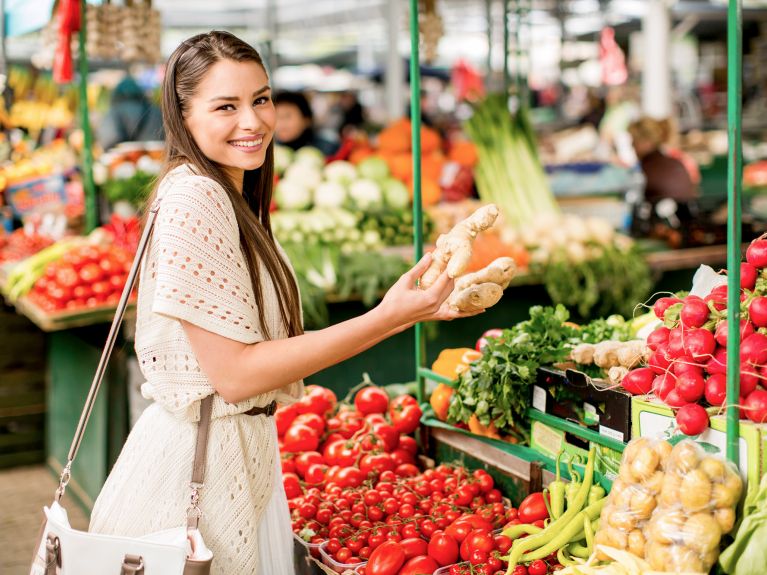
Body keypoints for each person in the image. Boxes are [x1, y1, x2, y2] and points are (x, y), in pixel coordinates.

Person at [88, 31, 474, 575]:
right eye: (226, 106)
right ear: (183, 115)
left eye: (261, 99)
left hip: (231, 457)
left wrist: (400, 314)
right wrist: (387, 317)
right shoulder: (196, 197)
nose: (253, 121)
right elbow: (238, 375)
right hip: (195, 477)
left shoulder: (226, 191)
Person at [97, 75, 164, 150]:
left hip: (124, 159)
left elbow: (108, 140)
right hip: (157, 158)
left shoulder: (114, 112)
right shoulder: (154, 111)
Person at [273, 90, 338, 155]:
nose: (280, 123)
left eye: (287, 116)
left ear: (306, 120)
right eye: (276, 117)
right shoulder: (271, 151)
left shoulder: (327, 148)